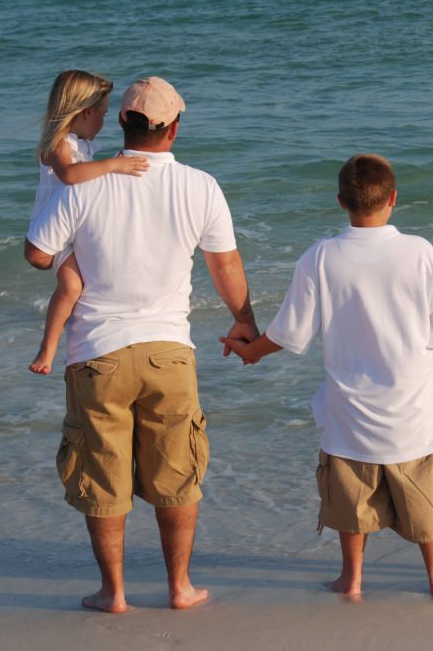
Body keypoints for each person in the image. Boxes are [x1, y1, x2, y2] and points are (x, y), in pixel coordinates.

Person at [25, 76, 258, 612]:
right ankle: (179, 587)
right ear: (175, 128)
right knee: (177, 473)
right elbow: (225, 265)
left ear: (124, 123)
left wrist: (71, 258)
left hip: (96, 353)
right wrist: (245, 322)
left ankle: (115, 592)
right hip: (169, 352)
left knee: (102, 477)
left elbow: (38, 254)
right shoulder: (200, 186)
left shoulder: (82, 183)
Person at [221, 154, 433, 597]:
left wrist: (253, 353)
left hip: (349, 416)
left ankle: (352, 577)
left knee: (349, 496)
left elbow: (289, 331)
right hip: (414, 414)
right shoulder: (422, 253)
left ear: (341, 201)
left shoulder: (321, 257)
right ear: (394, 199)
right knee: (423, 493)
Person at [28, 69, 149, 375]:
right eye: (103, 114)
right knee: (71, 286)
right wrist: (113, 165)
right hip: (55, 232)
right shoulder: (58, 144)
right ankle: (48, 349)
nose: (105, 121)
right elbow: (70, 176)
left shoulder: (83, 144)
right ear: (84, 113)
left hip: (75, 227)